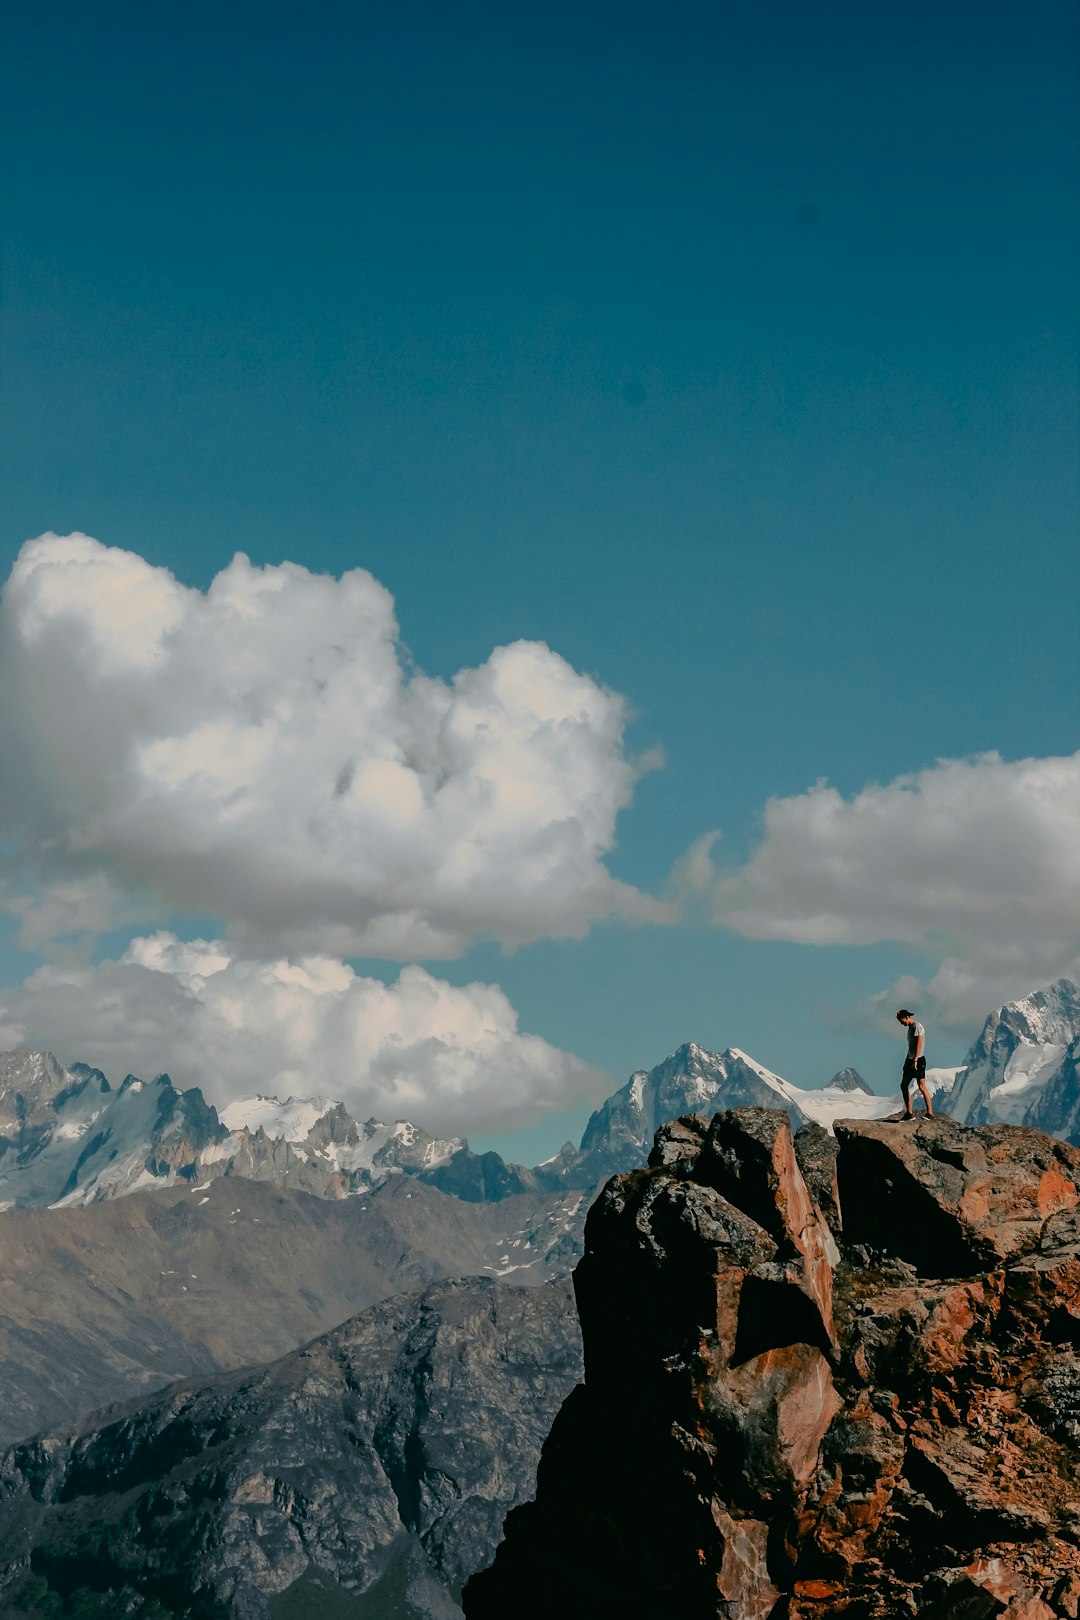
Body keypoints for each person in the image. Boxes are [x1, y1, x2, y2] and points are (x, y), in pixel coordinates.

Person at [896, 1009, 934, 1119]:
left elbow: (919, 1043)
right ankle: (909, 1113)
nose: (901, 1023)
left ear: (906, 1017)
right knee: (904, 1085)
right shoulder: (909, 1028)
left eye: (901, 1020)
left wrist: (916, 1060)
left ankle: (930, 1113)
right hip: (910, 1059)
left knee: (922, 1086)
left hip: (918, 1060)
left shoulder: (917, 1026)